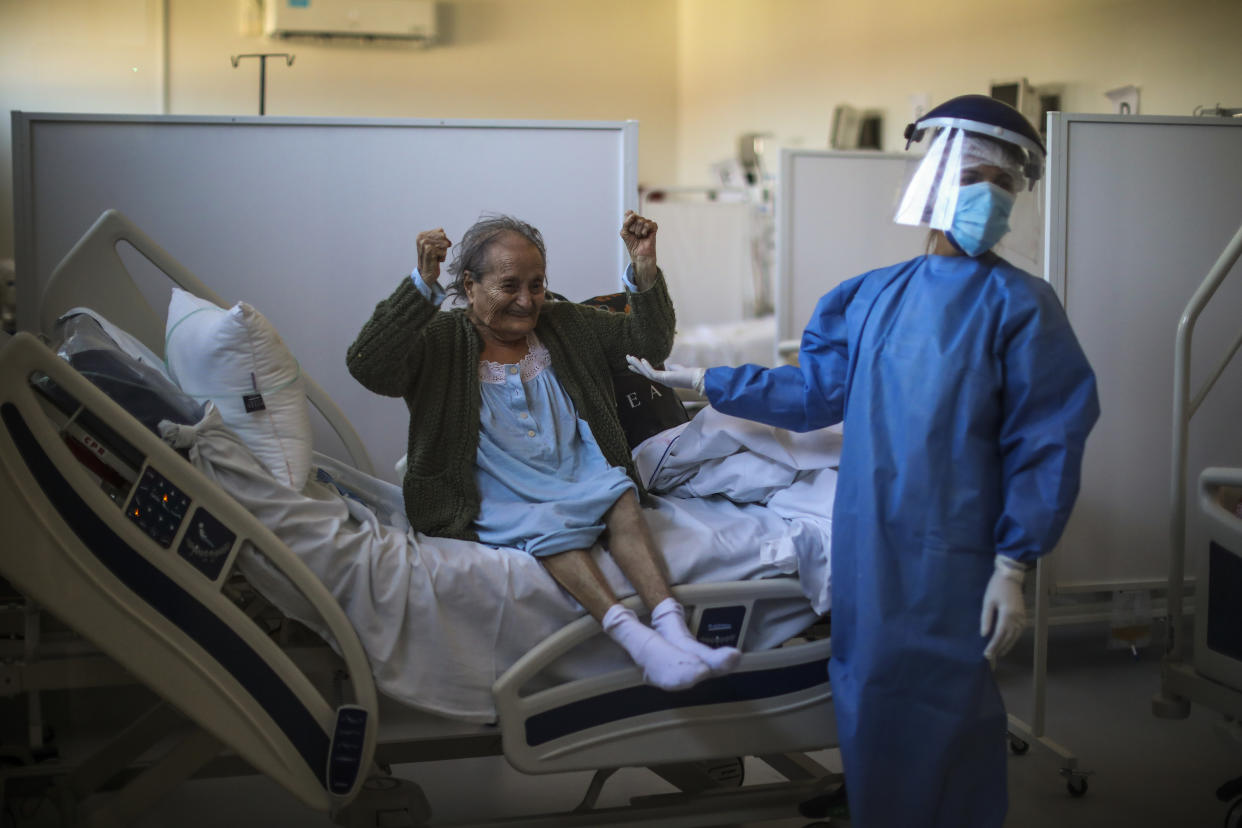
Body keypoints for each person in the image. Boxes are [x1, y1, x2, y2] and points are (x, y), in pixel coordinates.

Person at [628, 95, 1100, 826]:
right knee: (868, 685)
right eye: (975, 179)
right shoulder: (874, 296)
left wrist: (1015, 563)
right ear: (936, 185)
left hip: (957, 546)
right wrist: (709, 381)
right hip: (868, 533)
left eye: (1003, 187)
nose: (989, 199)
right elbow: (816, 392)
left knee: (946, 697)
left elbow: (1048, 439)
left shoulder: (1022, 307)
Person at [346, 210, 740, 693]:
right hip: (496, 480)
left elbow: (649, 342)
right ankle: (639, 642)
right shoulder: (440, 339)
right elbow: (369, 366)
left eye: (536, 284)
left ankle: (676, 630)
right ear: (469, 285)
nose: (527, 300)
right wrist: (420, 286)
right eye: (509, 285)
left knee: (620, 497)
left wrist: (643, 269)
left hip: (574, 462)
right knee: (548, 524)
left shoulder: (563, 322)